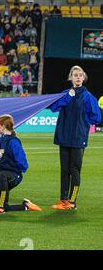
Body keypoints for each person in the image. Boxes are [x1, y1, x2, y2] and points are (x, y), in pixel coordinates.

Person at [48, 66, 101, 210]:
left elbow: (96, 117)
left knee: (74, 169)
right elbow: (53, 107)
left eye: (80, 75)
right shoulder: (65, 94)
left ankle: (72, 201)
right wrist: (68, 97)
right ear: (70, 78)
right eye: (75, 75)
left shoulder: (88, 97)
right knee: (64, 170)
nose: (77, 77)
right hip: (64, 136)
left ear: (83, 78)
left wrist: (83, 122)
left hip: (78, 138)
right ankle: (63, 199)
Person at [0, 114, 42, 214]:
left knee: (2, 174)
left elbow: (22, 162)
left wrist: (15, 167)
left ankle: (0, 207)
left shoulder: (13, 142)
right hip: (2, 176)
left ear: (3, 126)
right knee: (5, 204)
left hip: (14, 176)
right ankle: (25, 206)